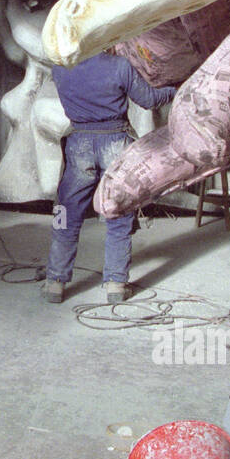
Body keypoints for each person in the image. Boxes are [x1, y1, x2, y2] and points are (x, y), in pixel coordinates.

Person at [42, 51, 176, 304]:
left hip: (79, 143)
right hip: (115, 142)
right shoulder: (119, 65)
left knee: (64, 213)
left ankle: (55, 282)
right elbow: (148, 100)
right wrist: (174, 89)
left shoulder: (59, 68)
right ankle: (115, 284)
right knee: (119, 211)